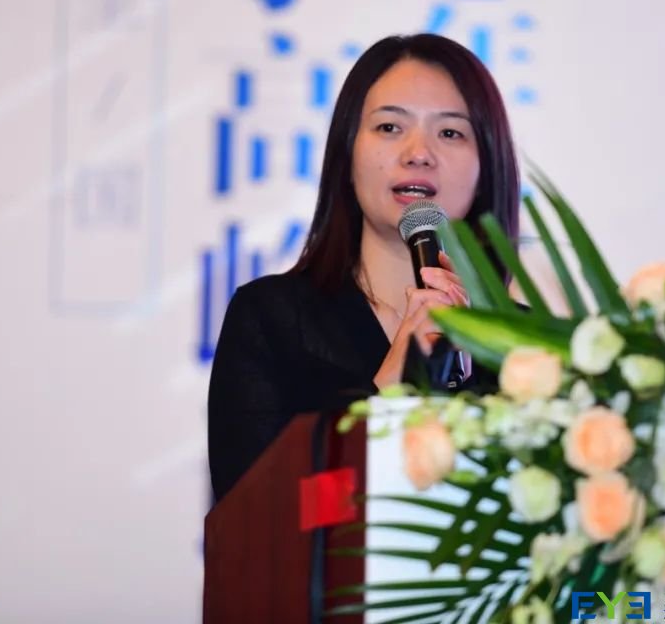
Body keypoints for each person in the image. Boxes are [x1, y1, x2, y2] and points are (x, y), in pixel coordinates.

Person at [206, 33, 521, 502]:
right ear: (347, 154)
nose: (418, 152)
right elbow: (251, 518)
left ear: (486, 168)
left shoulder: (528, 351)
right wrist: (386, 390)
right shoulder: (271, 319)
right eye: (390, 127)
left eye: (450, 132)